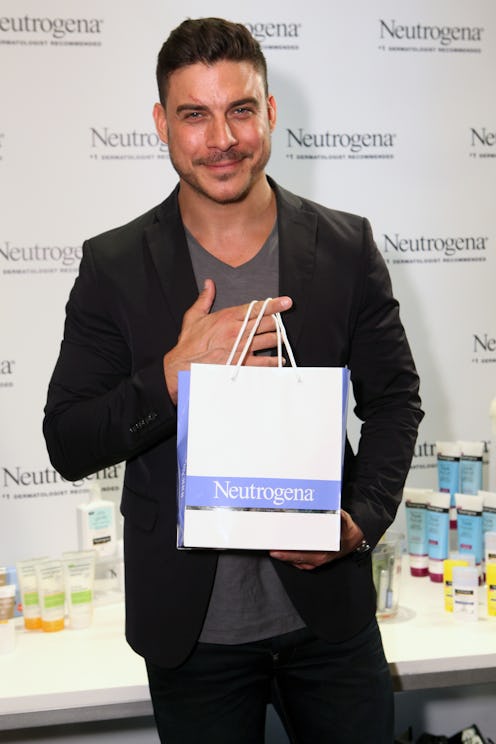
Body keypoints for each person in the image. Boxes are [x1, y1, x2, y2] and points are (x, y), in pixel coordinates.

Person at [43, 17, 423, 744]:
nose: (222, 138)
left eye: (240, 109)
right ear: (163, 124)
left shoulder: (346, 245)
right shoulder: (113, 265)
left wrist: (360, 521)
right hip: (193, 639)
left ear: (269, 112)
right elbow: (67, 440)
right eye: (195, 115)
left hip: (331, 624)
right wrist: (172, 377)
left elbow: (395, 401)